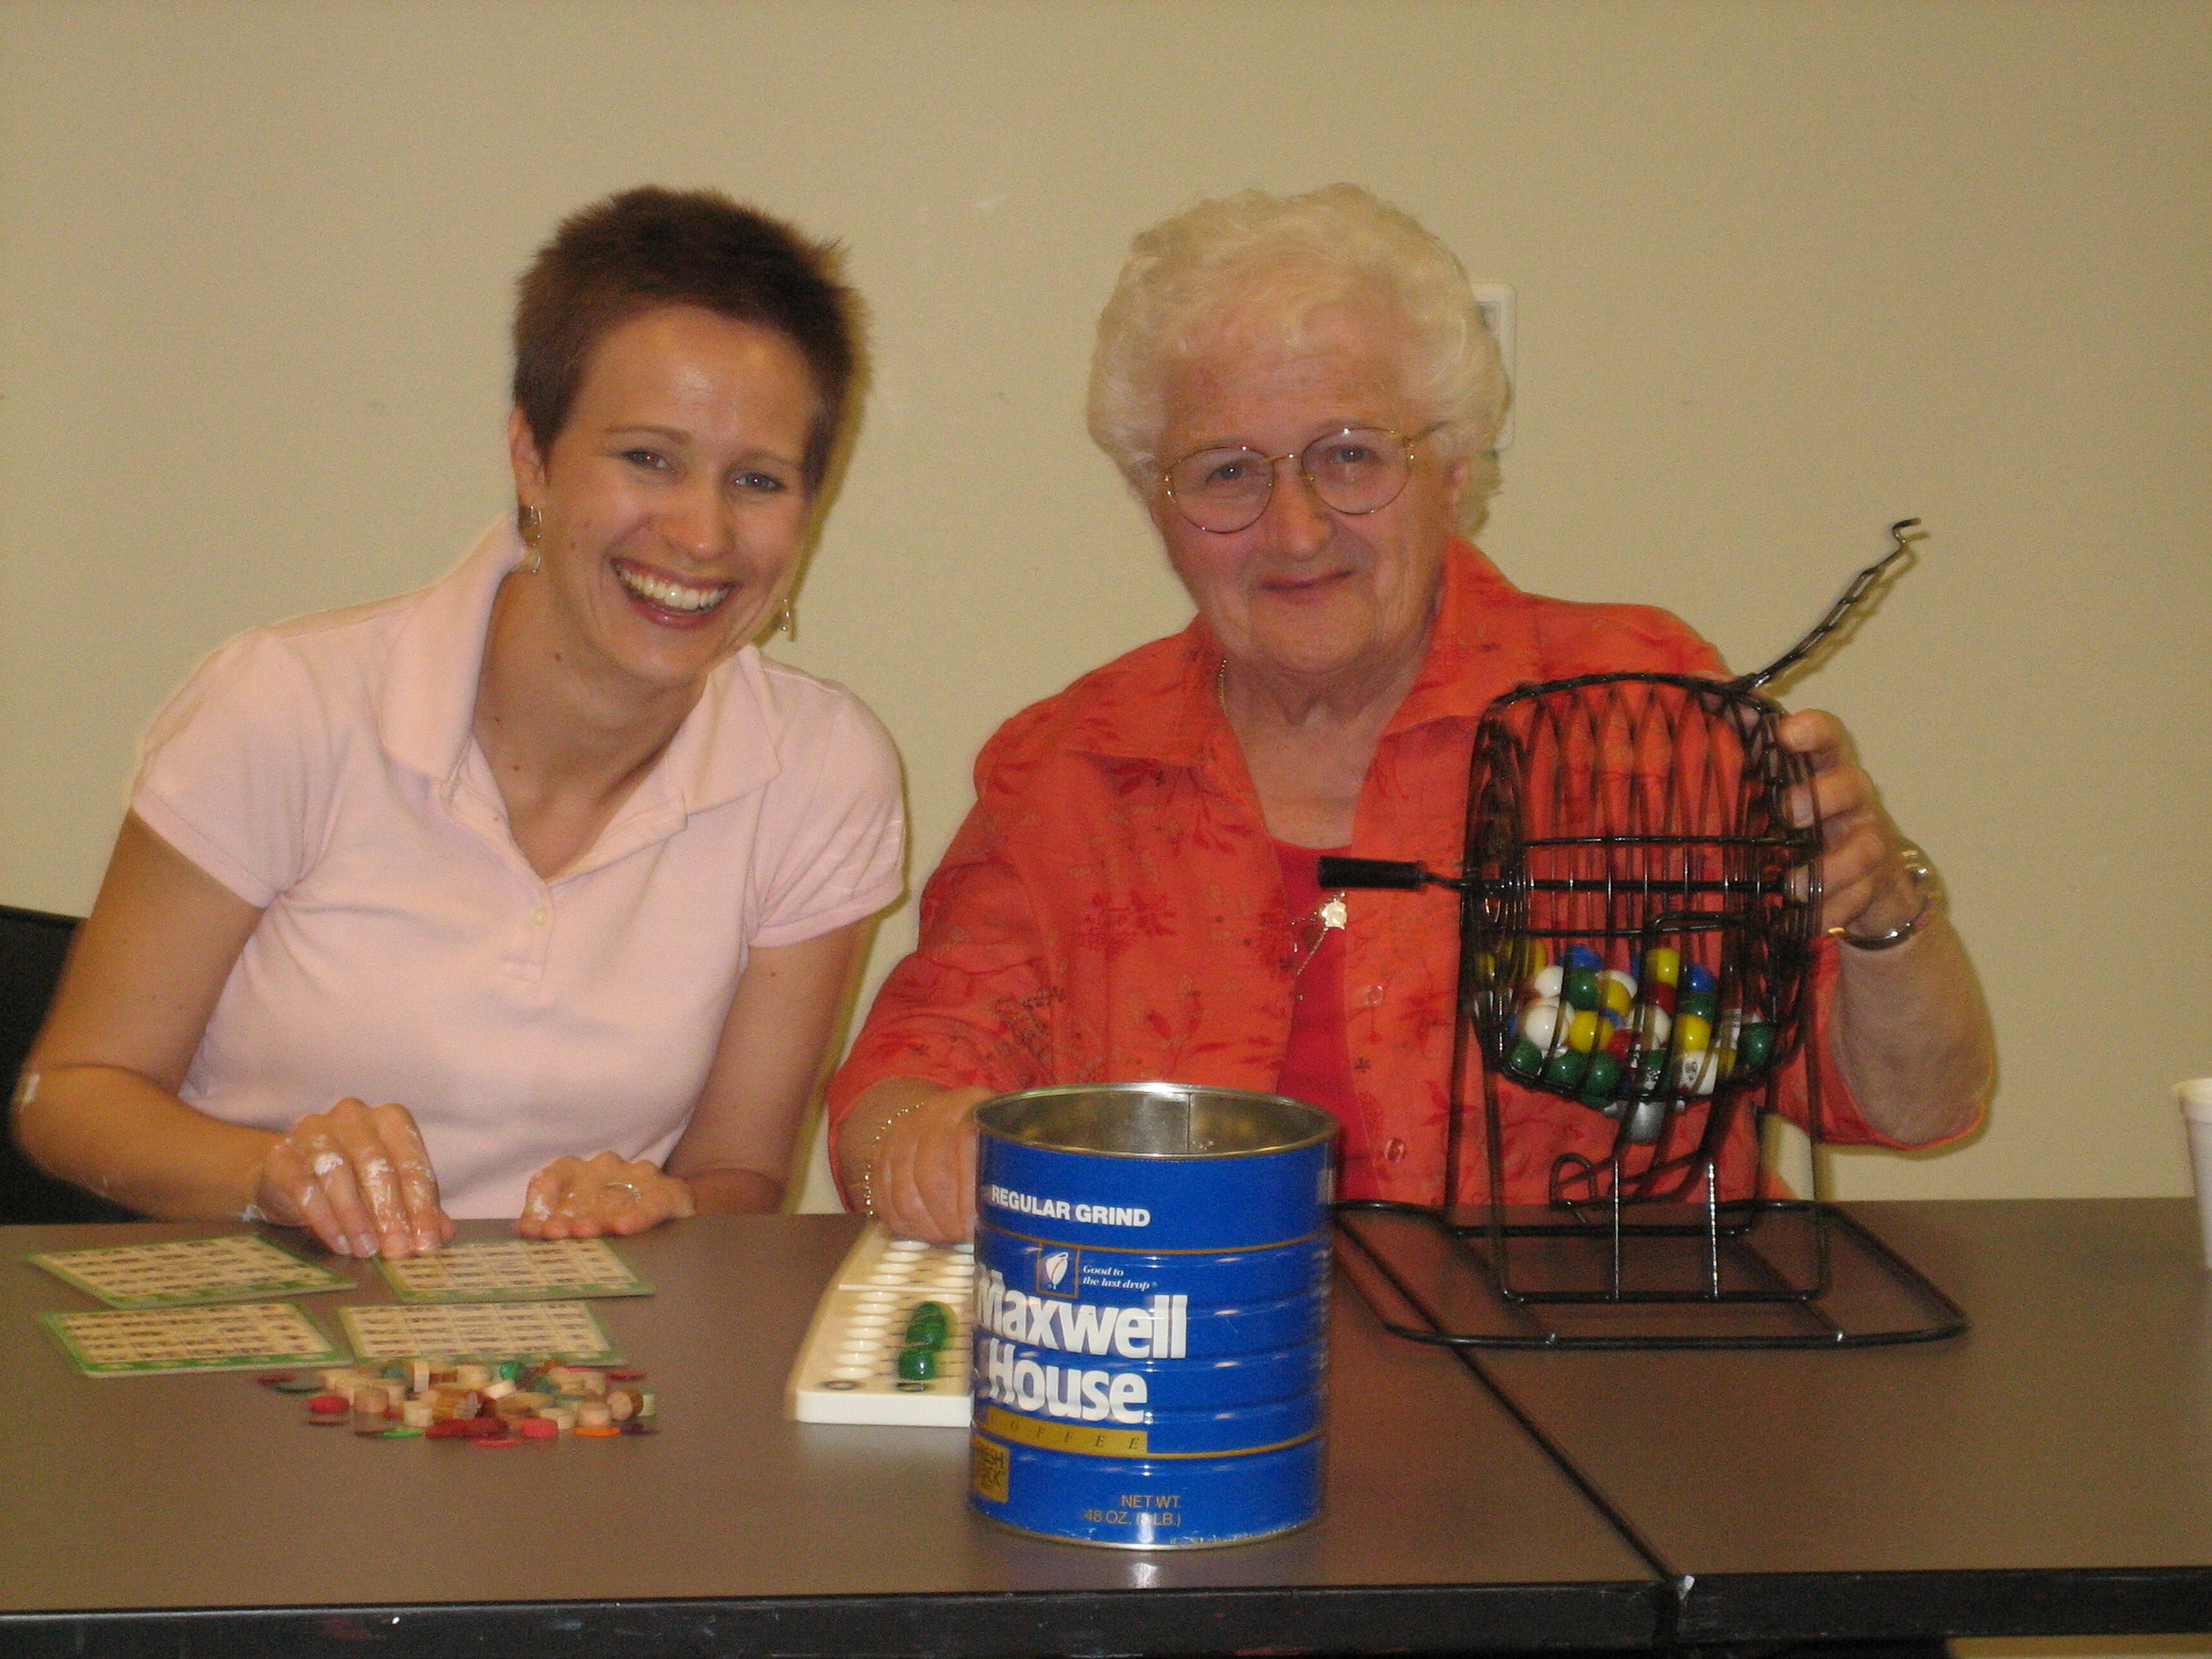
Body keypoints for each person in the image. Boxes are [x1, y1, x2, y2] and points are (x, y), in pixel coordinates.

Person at [829, 184, 1993, 1243]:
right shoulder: (1072, 767)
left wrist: (1883, 909)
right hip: (1185, 1371)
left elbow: (1913, 1105)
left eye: (1349, 457)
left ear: (1454, 470)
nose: (1295, 530)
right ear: (1155, 503)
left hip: (1601, 1376)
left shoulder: (1634, 712)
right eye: (1227, 472)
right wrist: (926, 1147)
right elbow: (899, 1088)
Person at [17, 187, 904, 1258]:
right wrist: (270, 1175)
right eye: (648, 459)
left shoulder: (824, 772)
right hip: (245, 1313)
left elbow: (740, 1176)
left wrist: (662, 1202)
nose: (703, 534)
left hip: (569, 1341)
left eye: (757, 481)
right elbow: (71, 1095)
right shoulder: (286, 704)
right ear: (532, 459)